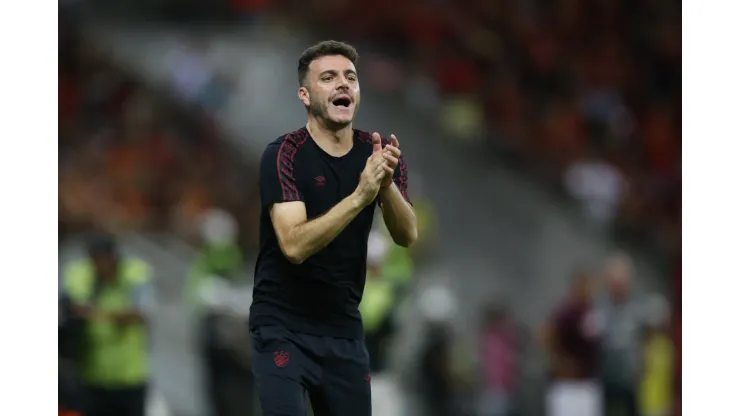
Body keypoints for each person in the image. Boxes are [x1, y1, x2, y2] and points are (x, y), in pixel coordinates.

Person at [249, 40, 418, 416]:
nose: (343, 84)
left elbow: (407, 236)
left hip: (343, 330)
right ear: (305, 96)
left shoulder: (379, 156)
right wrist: (361, 195)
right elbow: (293, 245)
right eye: (328, 77)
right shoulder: (284, 155)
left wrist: (386, 185)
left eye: (350, 78)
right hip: (282, 327)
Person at [61, 235, 153, 416]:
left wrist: (96, 313)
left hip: (128, 376)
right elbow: (66, 306)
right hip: (91, 374)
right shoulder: (79, 275)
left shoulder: (134, 275)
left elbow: (141, 313)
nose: (99, 265)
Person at [543, 269, 603, 416]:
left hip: (587, 383)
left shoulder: (593, 312)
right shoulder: (565, 313)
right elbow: (547, 335)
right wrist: (560, 362)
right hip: (567, 385)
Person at [596, 253, 645, 416]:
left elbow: (642, 343)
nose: (619, 287)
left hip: (630, 383)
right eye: (615, 282)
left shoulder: (637, 309)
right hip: (605, 381)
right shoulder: (599, 309)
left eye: (623, 282)